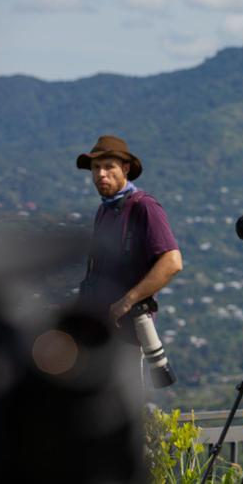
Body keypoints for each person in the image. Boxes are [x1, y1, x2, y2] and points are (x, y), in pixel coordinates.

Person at [76, 135, 182, 341]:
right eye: (96, 167)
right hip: (103, 328)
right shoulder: (105, 209)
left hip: (133, 329)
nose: (101, 174)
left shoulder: (144, 206)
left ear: (125, 168)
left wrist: (126, 301)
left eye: (109, 167)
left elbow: (172, 261)